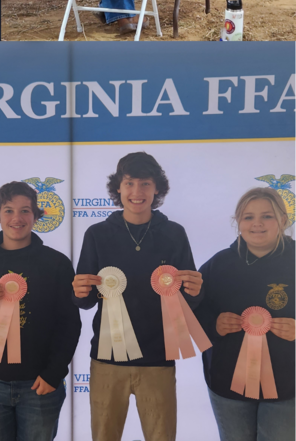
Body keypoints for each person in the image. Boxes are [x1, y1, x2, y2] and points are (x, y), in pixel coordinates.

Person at [72, 152, 203, 441]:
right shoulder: (97, 234)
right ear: (117, 187)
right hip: (107, 361)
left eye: (145, 183)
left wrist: (195, 291)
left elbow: (189, 301)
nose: (136, 192)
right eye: (129, 183)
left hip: (158, 359)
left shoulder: (174, 234)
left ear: (157, 188)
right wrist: (79, 292)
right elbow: (85, 301)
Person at [0, 181, 80, 441]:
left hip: (40, 384)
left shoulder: (56, 263)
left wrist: (54, 373)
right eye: (9, 210)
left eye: (25, 210)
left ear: (35, 216)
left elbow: (70, 325)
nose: (17, 218)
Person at [196, 188, 294, 441]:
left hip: (288, 387)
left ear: (284, 220)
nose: (257, 224)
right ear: (237, 222)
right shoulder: (218, 264)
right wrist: (213, 324)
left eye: (267, 216)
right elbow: (191, 310)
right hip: (227, 384)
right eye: (248, 217)